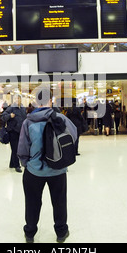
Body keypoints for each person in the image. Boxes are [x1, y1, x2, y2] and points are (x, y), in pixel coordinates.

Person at [17, 88, 77, 243]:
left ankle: (30, 233)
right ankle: (61, 232)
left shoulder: (28, 122)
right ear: (51, 100)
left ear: (35, 102)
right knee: (59, 201)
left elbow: (22, 148)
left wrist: (27, 164)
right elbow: (74, 133)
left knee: (32, 202)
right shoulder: (60, 118)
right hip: (58, 170)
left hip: (34, 171)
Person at [1, 95, 27, 173]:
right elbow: (2, 116)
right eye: (15, 99)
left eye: (18, 98)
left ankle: (12, 163)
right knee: (16, 149)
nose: (17, 100)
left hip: (21, 131)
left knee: (17, 148)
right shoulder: (11, 108)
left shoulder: (23, 108)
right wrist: (9, 116)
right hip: (13, 131)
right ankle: (17, 165)